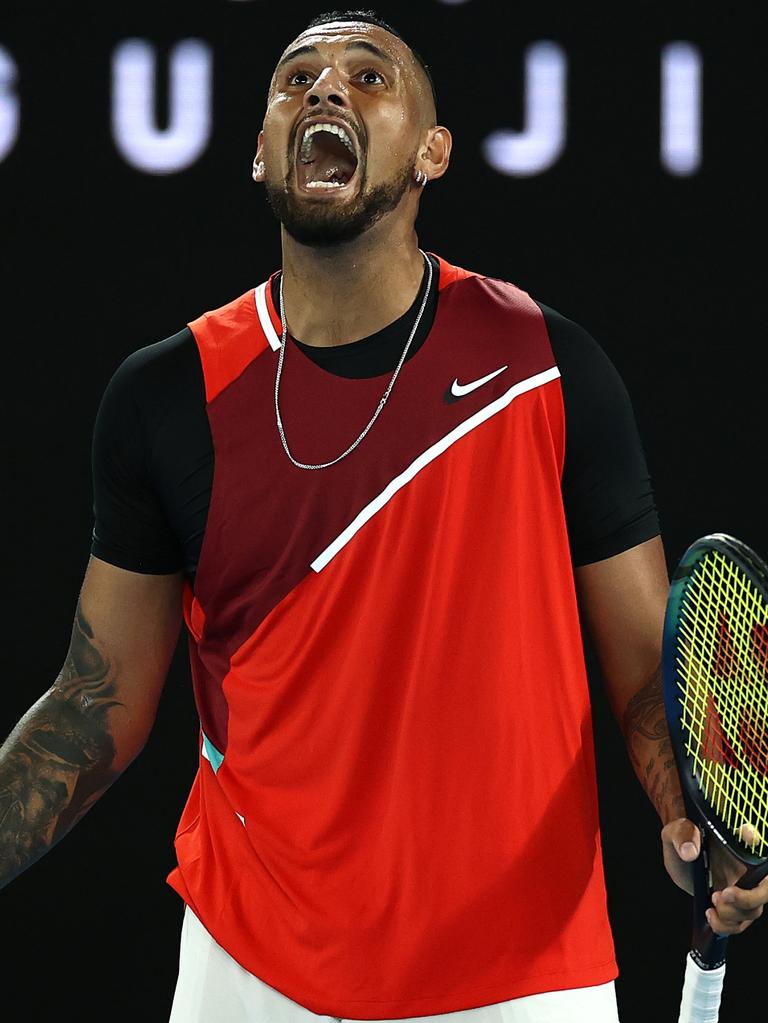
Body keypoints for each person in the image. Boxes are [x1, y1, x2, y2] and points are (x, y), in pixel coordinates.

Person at [1, 9, 766, 1023]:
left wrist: (690, 821)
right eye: (296, 79)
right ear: (261, 152)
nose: (325, 90)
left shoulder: (549, 366)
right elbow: (97, 708)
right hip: (250, 967)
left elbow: (643, 674)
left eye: (370, 77)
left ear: (432, 153)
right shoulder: (166, 395)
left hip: (520, 974)